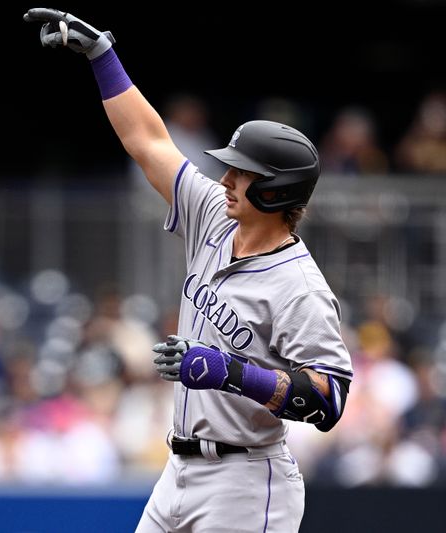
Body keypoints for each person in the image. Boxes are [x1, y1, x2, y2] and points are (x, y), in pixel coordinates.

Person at [24, 9, 353, 532]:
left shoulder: (300, 287)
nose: (224, 177)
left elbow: (328, 398)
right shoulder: (213, 218)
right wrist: (103, 58)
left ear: (275, 190)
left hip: (246, 483)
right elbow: (148, 142)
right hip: (176, 470)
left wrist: (231, 372)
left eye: (241, 173)